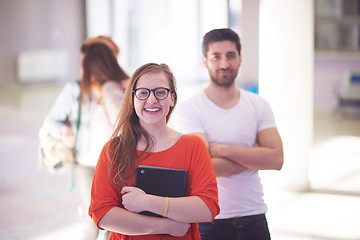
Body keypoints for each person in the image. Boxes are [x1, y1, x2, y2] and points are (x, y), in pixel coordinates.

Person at [174, 28, 284, 240]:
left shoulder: (258, 105)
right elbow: (205, 167)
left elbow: (276, 159)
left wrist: (221, 149)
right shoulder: (190, 108)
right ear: (205, 61)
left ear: (240, 59)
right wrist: (256, 156)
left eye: (231, 56)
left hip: (255, 214)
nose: (224, 64)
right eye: (216, 57)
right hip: (210, 218)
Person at [88, 63, 220, 240]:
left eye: (160, 92)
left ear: (172, 98)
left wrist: (147, 201)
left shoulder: (193, 146)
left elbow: (207, 208)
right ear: (132, 99)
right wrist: (166, 226)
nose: (151, 100)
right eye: (143, 92)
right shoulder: (114, 149)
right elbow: (102, 214)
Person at [40, 38, 129, 240]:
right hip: (86, 165)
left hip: (116, 164)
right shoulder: (76, 90)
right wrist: (64, 131)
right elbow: (51, 121)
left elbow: (128, 125)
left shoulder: (122, 87)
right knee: (91, 221)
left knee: (112, 222)